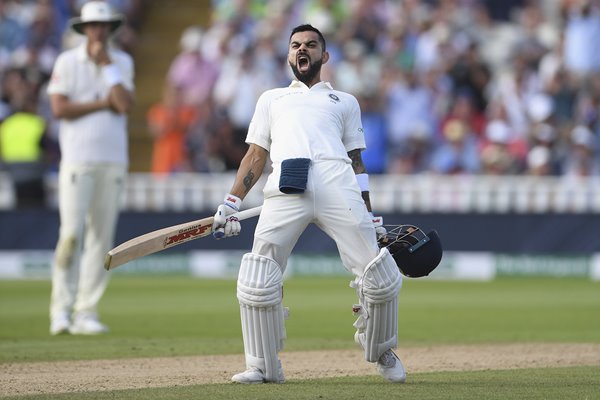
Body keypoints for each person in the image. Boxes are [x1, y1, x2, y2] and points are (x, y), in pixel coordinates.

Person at [212, 24, 405, 384]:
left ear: (324, 56)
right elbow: (255, 155)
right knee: (258, 276)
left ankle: (382, 350)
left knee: (378, 274)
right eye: (296, 45)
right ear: (288, 55)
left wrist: (369, 210)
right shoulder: (271, 99)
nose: (303, 50)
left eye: (311, 45)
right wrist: (231, 202)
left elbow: (357, 163)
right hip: (287, 183)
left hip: (338, 181)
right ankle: (262, 365)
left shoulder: (344, 101)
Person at [46, 1, 134, 335]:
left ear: (109, 29)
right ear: (84, 29)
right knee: (70, 235)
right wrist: (102, 103)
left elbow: (124, 104)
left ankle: (86, 311)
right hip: (77, 160)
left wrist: (107, 66)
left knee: (101, 239)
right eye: (93, 26)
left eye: (103, 26)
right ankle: (60, 311)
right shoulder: (67, 61)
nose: (98, 31)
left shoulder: (121, 61)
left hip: (112, 161)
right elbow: (59, 108)